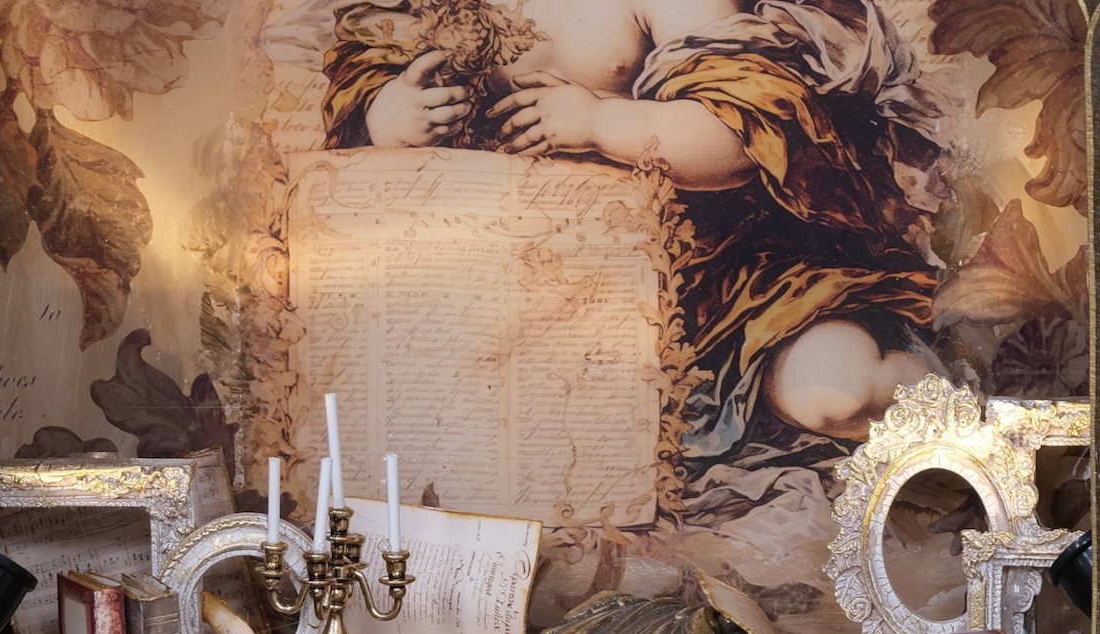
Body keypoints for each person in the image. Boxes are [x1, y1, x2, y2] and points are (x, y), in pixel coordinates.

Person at [321, 0, 947, 476]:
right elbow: (359, 106)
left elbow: (741, 140)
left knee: (834, 390)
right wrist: (387, 115)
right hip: (504, 297)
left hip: (711, 287)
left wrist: (600, 121)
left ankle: (961, 417)